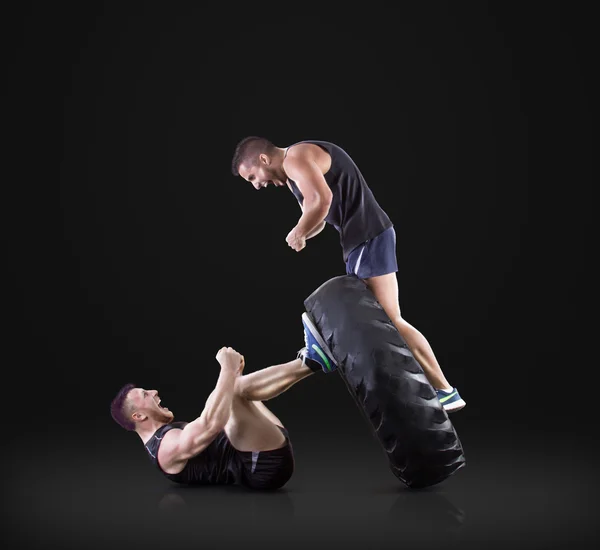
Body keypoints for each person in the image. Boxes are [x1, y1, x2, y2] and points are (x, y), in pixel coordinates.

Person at [231, 137, 465, 412]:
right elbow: (318, 216)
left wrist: (298, 230)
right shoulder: (295, 177)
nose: (257, 185)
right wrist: (305, 232)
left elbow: (322, 200)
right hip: (361, 241)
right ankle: (325, 350)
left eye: (252, 177)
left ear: (263, 159)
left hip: (368, 236)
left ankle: (444, 389)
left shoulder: (296, 157)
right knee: (382, 320)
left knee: (389, 320)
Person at [110, 339, 335, 490]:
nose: (154, 392)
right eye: (145, 394)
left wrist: (233, 375)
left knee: (233, 388)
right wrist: (226, 369)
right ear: (138, 416)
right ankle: (313, 360)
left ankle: (317, 360)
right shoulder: (165, 448)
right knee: (230, 390)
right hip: (261, 467)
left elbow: (220, 412)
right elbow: (212, 424)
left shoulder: (165, 435)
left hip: (261, 450)